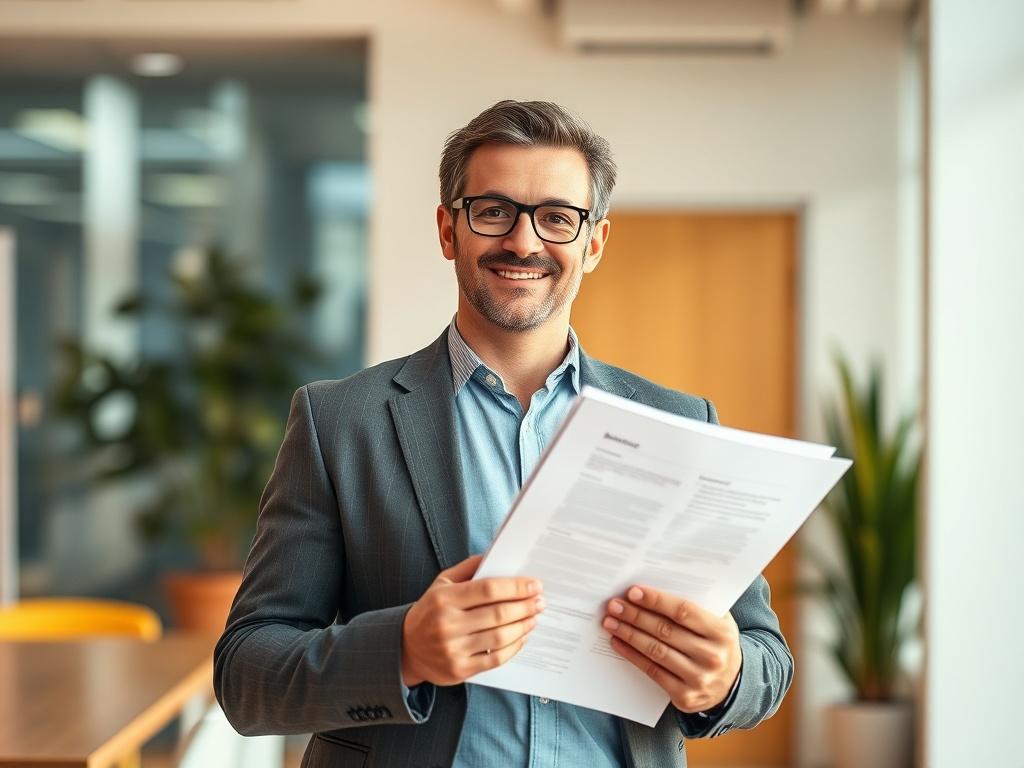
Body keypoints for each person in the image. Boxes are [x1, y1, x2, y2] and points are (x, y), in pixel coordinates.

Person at [214, 100, 793, 768]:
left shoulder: (683, 424)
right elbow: (246, 675)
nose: (524, 241)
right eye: (494, 211)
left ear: (593, 243)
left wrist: (725, 678)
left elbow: (766, 660)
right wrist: (403, 649)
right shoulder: (340, 423)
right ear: (448, 230)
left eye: (557, 217)